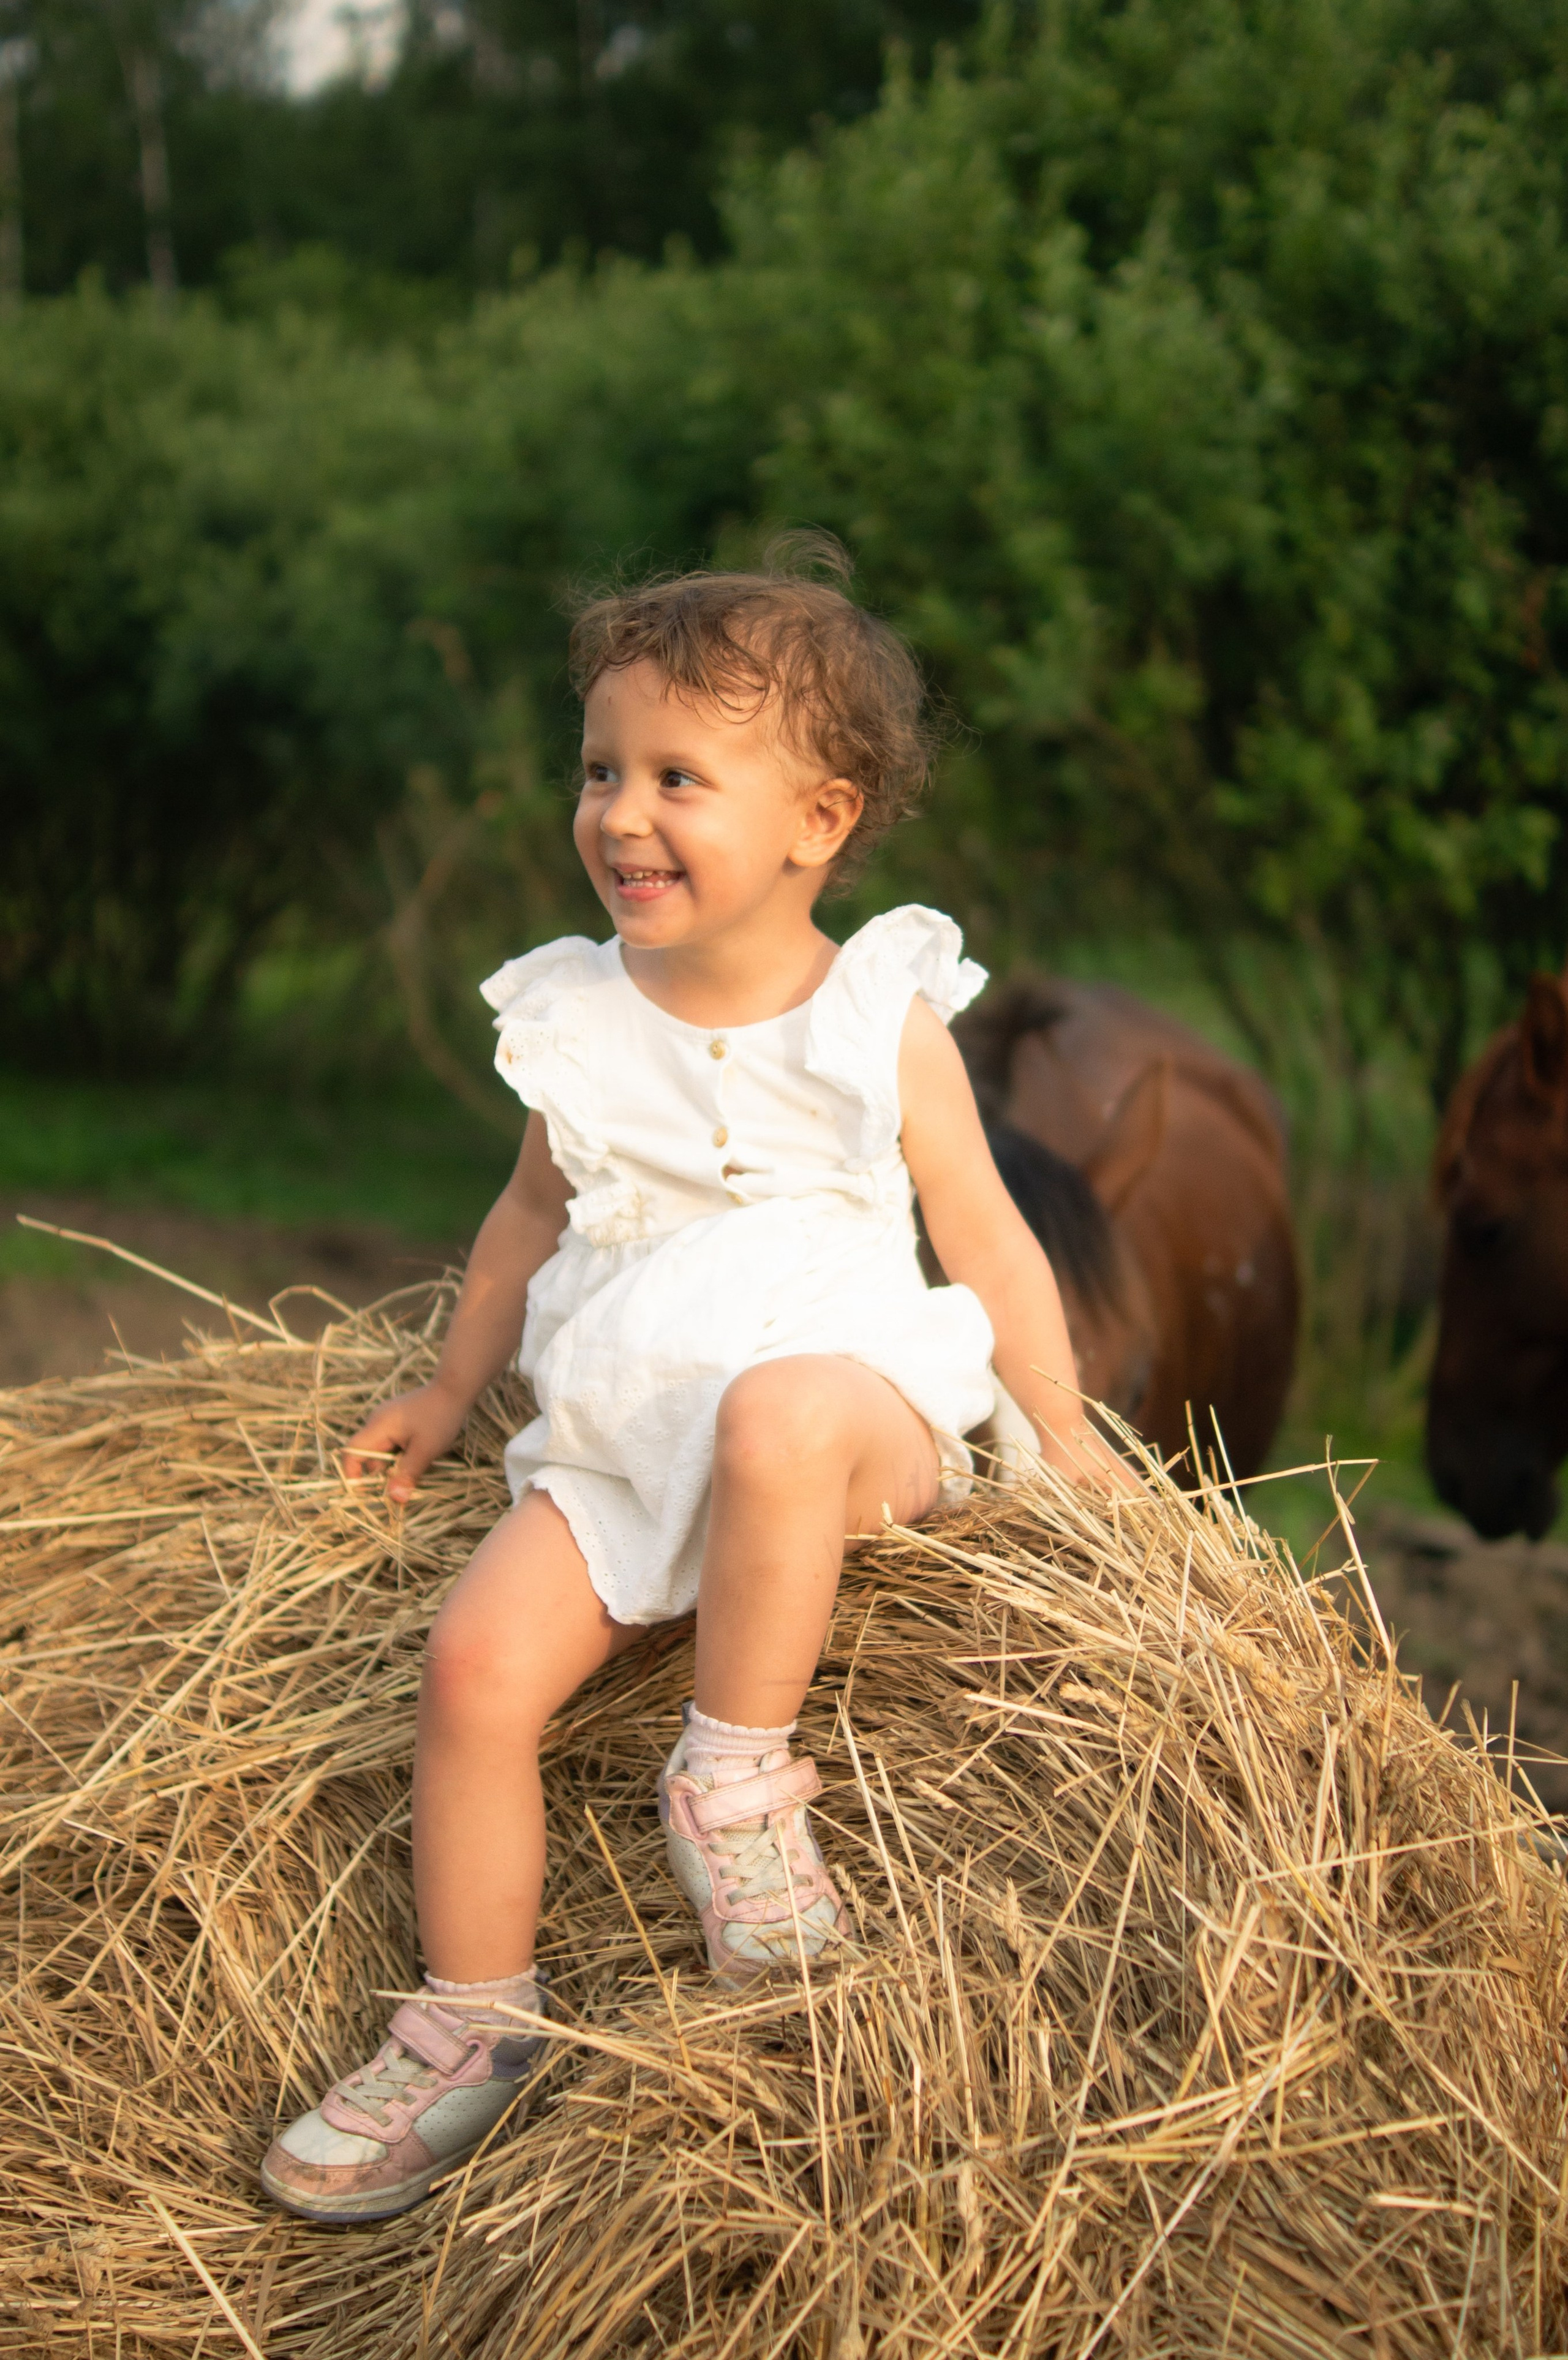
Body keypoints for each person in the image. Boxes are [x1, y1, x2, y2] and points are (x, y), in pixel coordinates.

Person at [260, 539, 1129, 2226]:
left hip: (847, 1397)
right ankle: (470, 2016)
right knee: (472, 1668)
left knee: (774, 1418)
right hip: (619, 1416)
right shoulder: (577, 1017)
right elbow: (524, 1219)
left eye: (676, 776)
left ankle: (730, 1771)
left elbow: (991, 1239)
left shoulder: (878, 1013)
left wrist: (1066, 1428)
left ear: (819, 818)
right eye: (600, 768)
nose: (620, 812)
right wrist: (450, 1391)